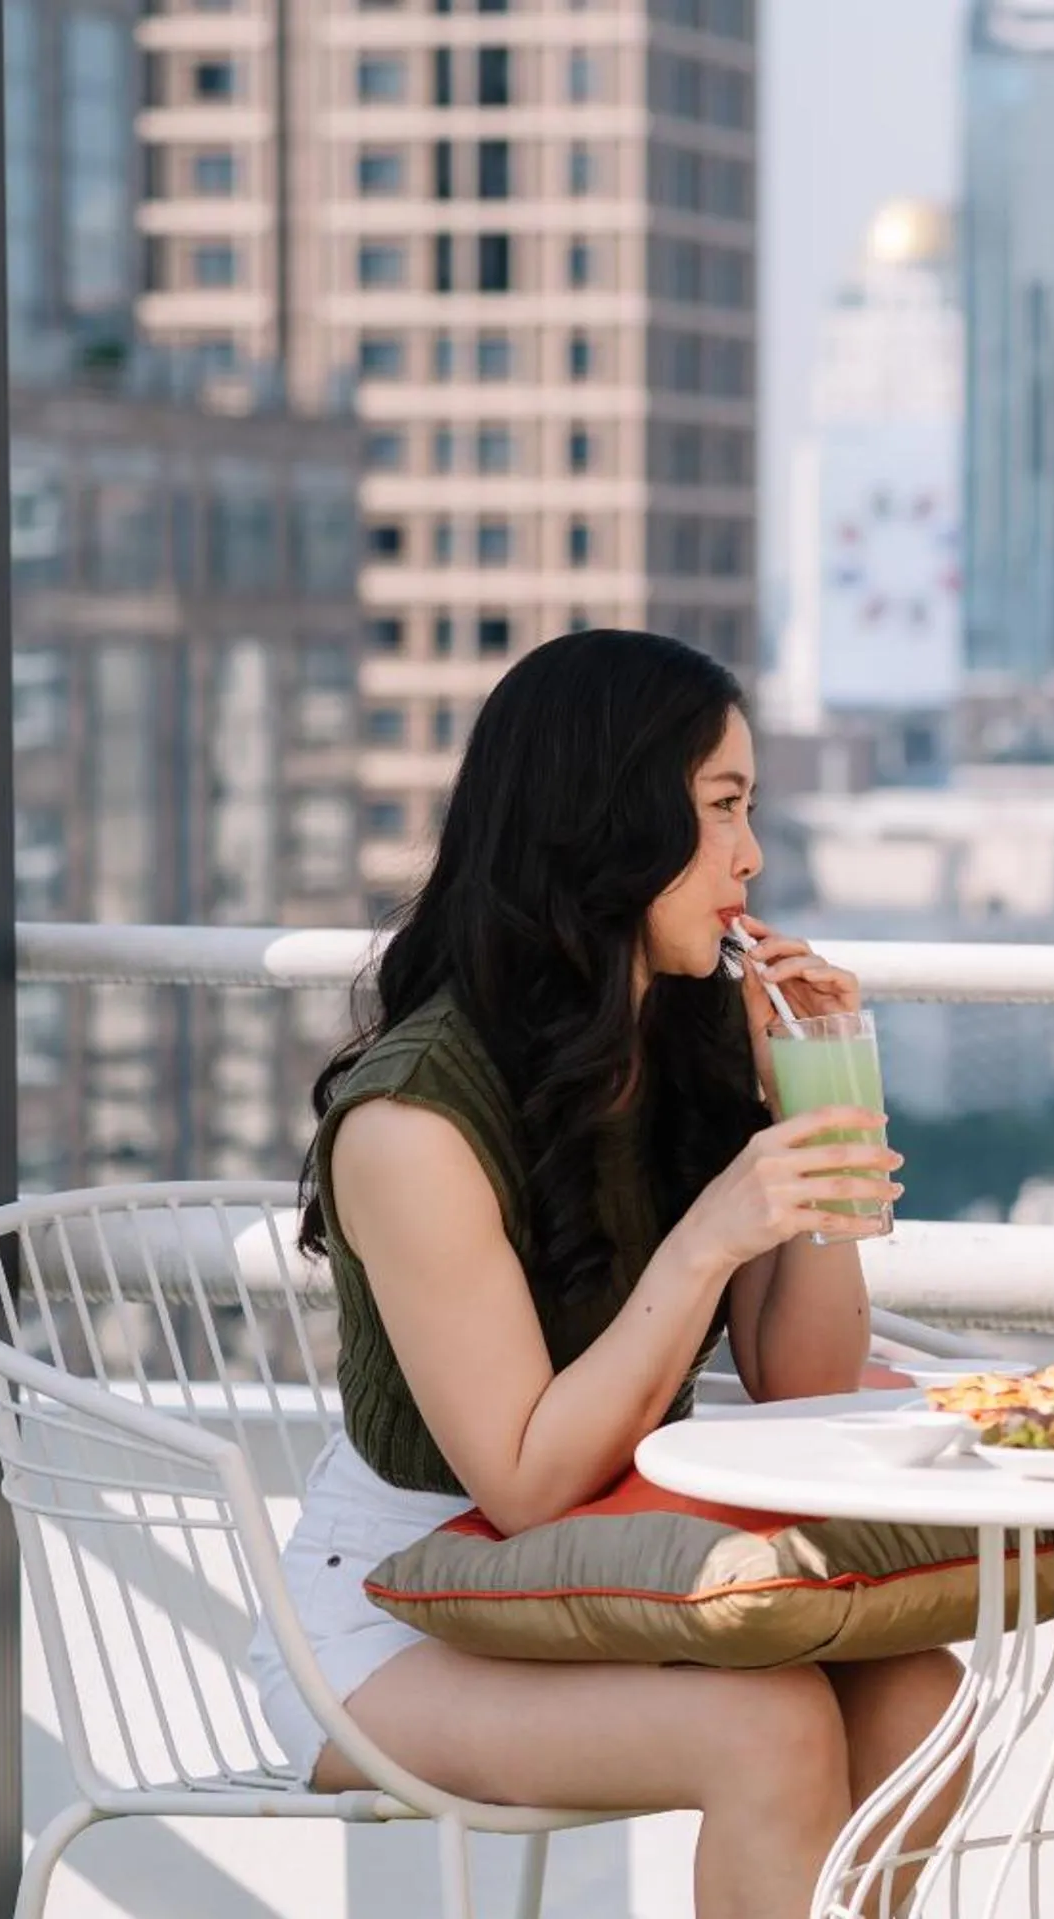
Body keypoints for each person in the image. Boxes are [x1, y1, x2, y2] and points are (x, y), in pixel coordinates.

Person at [248, 629, 961, 1917]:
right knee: (769, 1730)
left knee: (924, 1696)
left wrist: (819, 1110)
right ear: (607, 819)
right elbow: (521, 1485)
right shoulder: (413, 1119)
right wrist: (705, 1240)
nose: (752, 857)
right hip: (393, 1619)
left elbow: (803, 1380)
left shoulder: (679, 1037)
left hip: (599, 1574)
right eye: (724, 809)